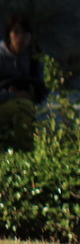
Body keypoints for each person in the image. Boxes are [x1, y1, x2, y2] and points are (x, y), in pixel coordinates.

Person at [0, 13, 47, 151]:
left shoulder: (34, 58)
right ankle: (27, 152)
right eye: (16, 32)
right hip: (6, 103)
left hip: (27, 107)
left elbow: (43, 90)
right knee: (23, 107)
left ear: (31, 37)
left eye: (25, 34)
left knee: (25, 112)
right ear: (9, 34)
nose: (20, 38)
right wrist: (14, 95)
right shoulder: (1, 57)